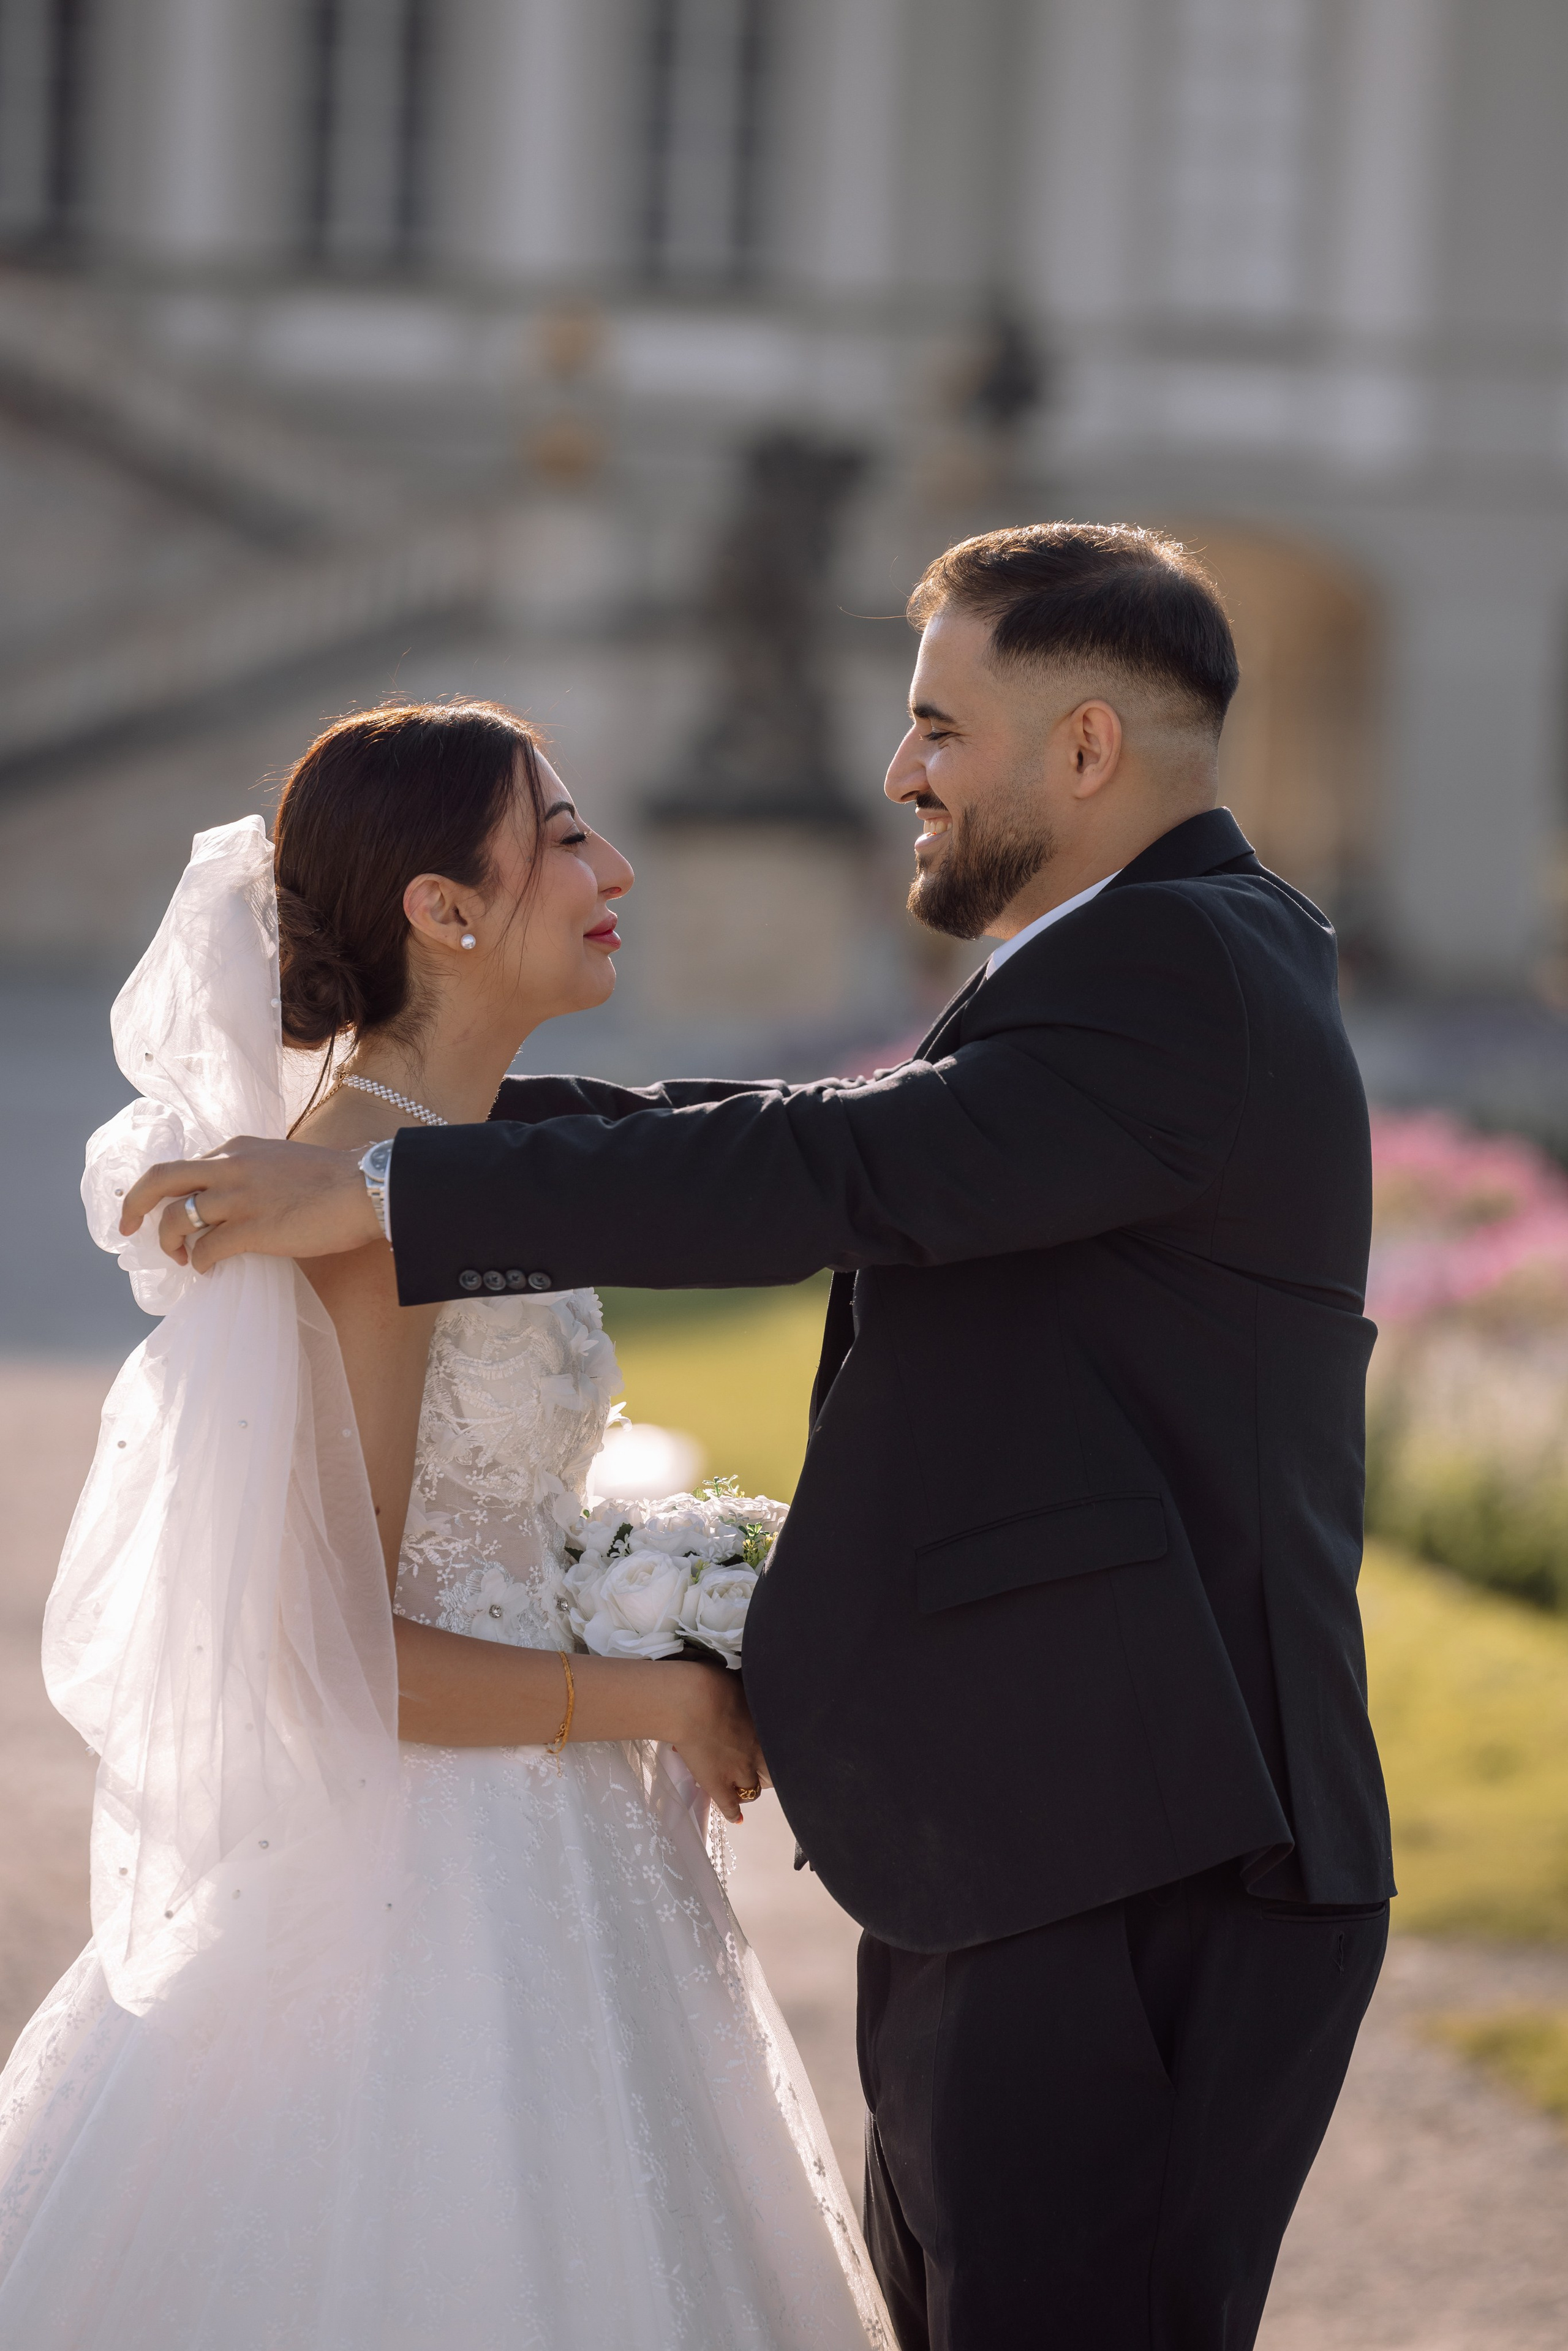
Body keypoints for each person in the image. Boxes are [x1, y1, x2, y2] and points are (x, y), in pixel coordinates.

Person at [124, 525, 1395, 2351]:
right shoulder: (1150, 958)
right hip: (1055, 1833)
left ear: (1087, 747)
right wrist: (404, 1140)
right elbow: (820, 1123)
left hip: (1149, 1850)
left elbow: (852, 1164)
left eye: (940, 727)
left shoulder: (1186, 963)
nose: (898, 773)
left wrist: (404, 1184)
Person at [0, 702, 891, 2350]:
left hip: (547, 1838)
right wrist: (664, 1692)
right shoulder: (351, 1204)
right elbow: (326, 1652)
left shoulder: (444, 1169)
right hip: (433, 1880)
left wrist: (630, 1584)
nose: (614, 869)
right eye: (562, 835)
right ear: (444, 908)